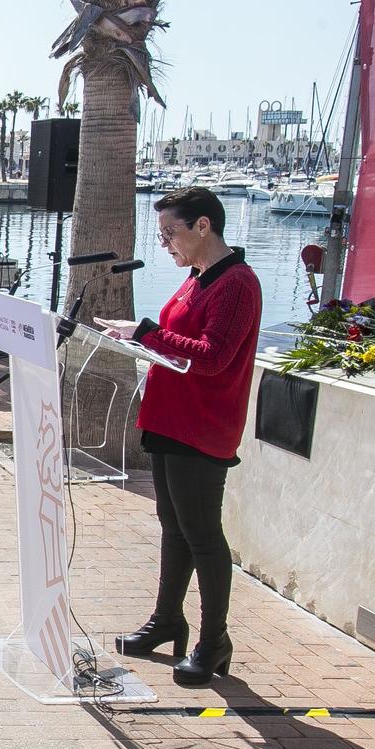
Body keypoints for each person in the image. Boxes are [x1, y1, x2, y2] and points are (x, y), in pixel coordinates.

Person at [102, 186, 262, 688]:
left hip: (202, 425)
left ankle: (214, 641)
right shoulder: (197, 278)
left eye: (171, 234)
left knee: (203, 536)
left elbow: (212, 355)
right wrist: (140, 336)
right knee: (174, 527)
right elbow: (180, 344)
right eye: (161, 235)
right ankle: (166, 619)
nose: (166, 244)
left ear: (203, 227)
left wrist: (146, 332)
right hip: (169, 418)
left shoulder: (236, 283)